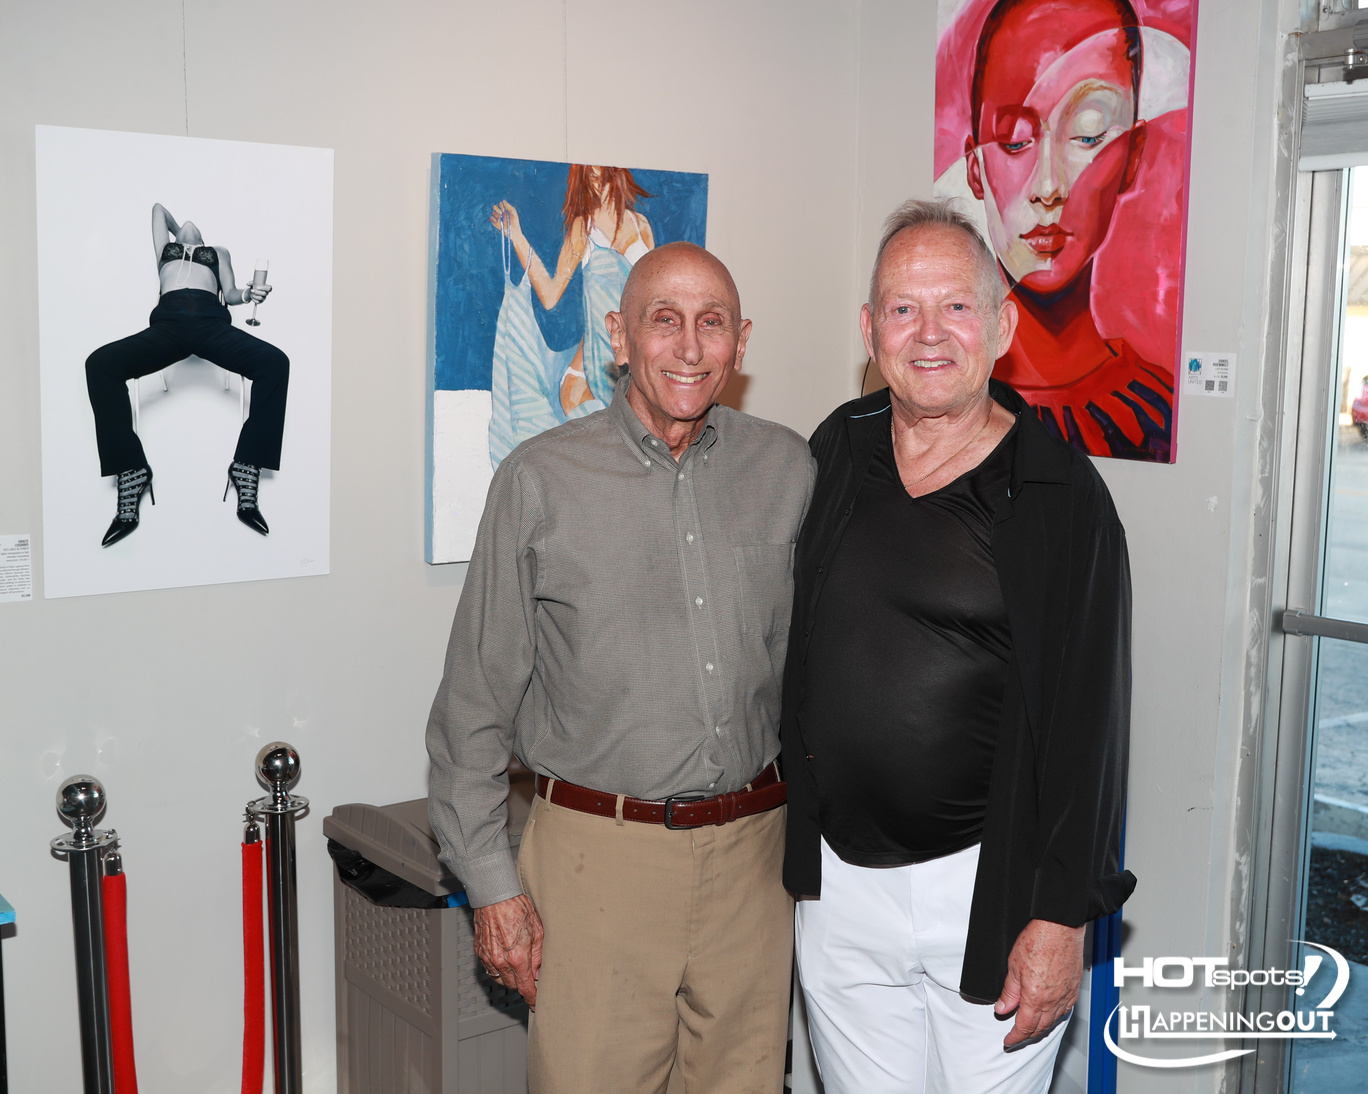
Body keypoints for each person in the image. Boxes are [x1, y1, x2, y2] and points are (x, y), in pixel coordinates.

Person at [427, 241, 814, 1094]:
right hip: (596, 864)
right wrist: (492, 889)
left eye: (712, 323)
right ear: (618, 335)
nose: (689, 346)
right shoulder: (539, 480)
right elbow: (472, 709)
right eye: (663, 320)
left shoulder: (789, 469)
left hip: (755, 864)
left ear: (742, 341)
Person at [782, 199, 1135, 1092]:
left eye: (956, 306)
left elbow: (1091, 726)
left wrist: (1062, 916)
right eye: (904, 308)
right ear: (870, 330)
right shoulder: (838, 449)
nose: (929, 333)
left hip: (990, 888)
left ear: (1003, 326)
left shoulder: (1059, 496)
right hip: (840, 889)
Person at [963, 0, 1171, 460]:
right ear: (975, 168)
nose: (1048, 187)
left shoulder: (1160, 415)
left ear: (1133, 155)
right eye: (1015, 140)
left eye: (1088, 134)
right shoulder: (933, 399)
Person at [84, 203, 286, 545]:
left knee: (276, 362)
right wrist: (182, 234)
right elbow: (158, 210)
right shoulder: (165, 250)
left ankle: (247, 466)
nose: (190, 224)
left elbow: (231, 294)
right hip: (168, 326)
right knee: (99, 364)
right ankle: (131, 470)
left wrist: (249, 293)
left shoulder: (219, 252)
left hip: (212, 325)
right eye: (182, 231)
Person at [487, 165, 655, 465]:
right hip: (588, 376)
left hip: (633, 372)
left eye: (603, 177)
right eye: (590, 180)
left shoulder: (641, 225)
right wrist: (517, 237)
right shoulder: (584, 227)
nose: (598, 187)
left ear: (617, 176)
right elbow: (550, 295)